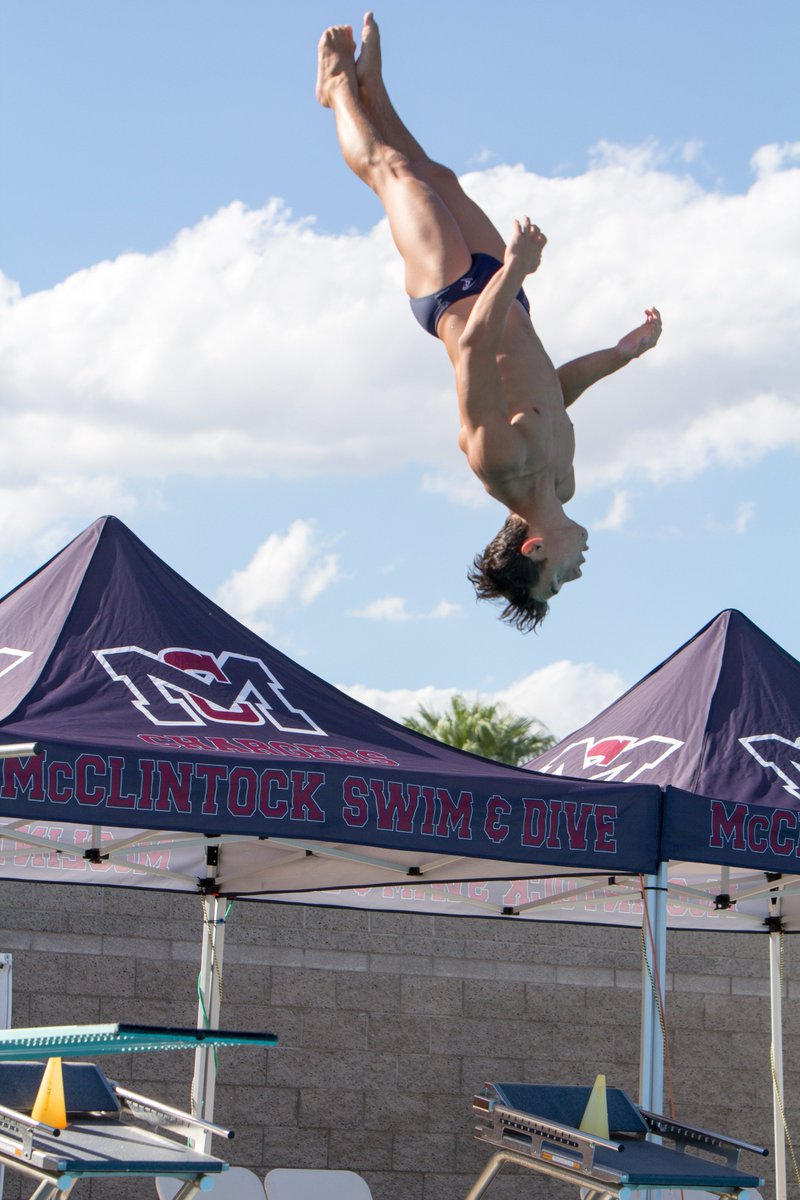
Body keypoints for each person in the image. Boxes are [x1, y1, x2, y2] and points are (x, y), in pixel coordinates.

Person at [317, 13, 662, 631]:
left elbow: (474, 347)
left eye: (559, 578)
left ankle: (338, 88)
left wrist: (519, 270)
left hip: (453, 293)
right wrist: (622, 353)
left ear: (534, 549)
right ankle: (373, 86)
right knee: (437, 174)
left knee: (392, 171)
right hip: (508, 298)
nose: (578, 571)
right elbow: (554, 394)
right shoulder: (564, 481)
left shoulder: (499, 465)